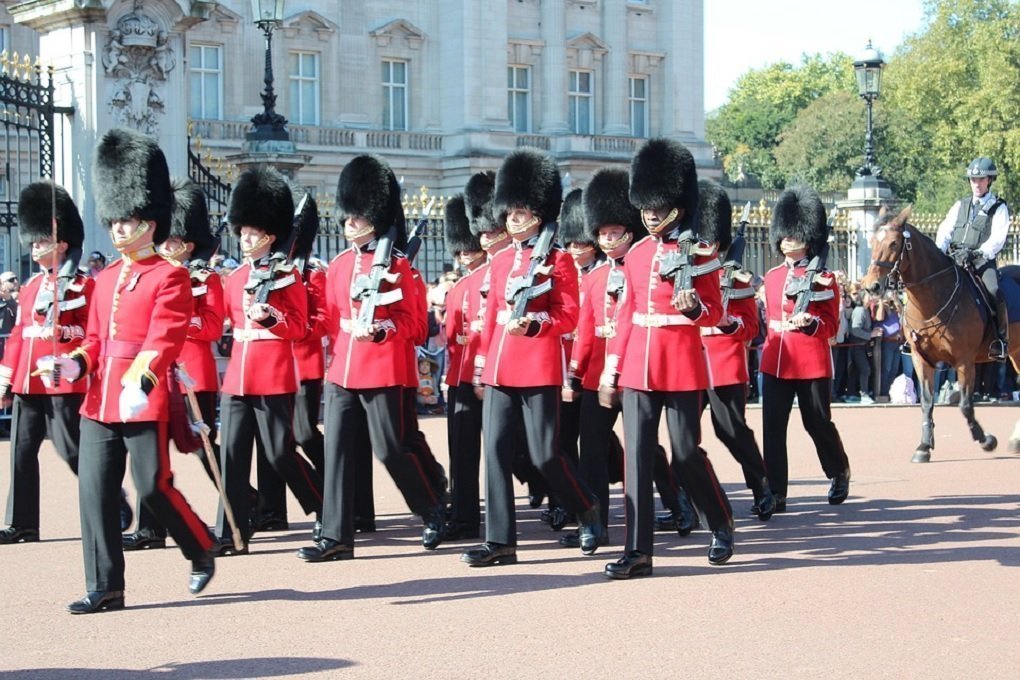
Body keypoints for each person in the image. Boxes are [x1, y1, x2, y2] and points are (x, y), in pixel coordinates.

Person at [44, 127, 216, 613]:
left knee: (151, 487)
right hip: (100, 399)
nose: (120, 229)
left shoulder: (171, 274)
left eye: (130, 220)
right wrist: (72, 363)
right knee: (94, 490)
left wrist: (141, 378)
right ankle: (106, 586)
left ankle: (199, 546)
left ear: (151, 222)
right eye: (116, 221)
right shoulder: (103, 280)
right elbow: (96, 340)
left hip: (144, 393)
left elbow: (166, 335)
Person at [298, 154, 446, 563]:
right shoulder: (339, 266)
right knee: (338, 452)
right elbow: (328, 319)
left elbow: (417, 327)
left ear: (374, 219)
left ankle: (431, 508)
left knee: (390, 449)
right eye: (348, 216)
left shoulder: (400, 268)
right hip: (343, 368)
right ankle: (335, 536)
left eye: (358, 216)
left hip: (382, 368)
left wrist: (383, 329)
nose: (350, 223)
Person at [461, 148, 604, 567]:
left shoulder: (557, 259)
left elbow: (568, 314)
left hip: (538, 366)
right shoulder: (500, 260)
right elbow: (489, 319)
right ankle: (500, 541)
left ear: (539, 215)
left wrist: (536, 324)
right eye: (510, 214)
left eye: (522, 213)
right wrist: (482, 365)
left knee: (545, 455)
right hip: (501, 368)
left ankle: (586, 508)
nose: (513, 220)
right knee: (497, 453)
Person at [600, 139, 734, 580]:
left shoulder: (700, 254)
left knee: (684, 455)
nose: (652, 214)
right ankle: (637, 551)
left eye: (659, 206)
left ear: (676, 203)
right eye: (648, 206)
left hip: (680, 363)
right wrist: (611, 368)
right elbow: (623, 316)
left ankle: (719, 519)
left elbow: (716, 312)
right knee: (637, 458)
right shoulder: (636, 254)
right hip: (638, 364)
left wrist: (695, 307)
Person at [214, 166, 323, 556]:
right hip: (239, 372)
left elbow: (297, 327)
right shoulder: (232, 277)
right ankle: (231, 532)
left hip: (273, 370)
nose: (245, 239)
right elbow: (226, 323)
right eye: (242, 232)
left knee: (279, 451)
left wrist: (271, 317)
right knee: (232, 454)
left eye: (252, 233)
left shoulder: (287, 277)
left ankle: (322, 504)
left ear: (270, 236)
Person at [122, 178, 226, 550]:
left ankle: (240, 504)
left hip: (193, 376)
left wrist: (181, 321)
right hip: (158, 376)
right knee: (153, 456)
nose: (166, 247)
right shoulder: (151, 278)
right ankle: (151, 529)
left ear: (187, 245)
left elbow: (212, 327)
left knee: (202, 450)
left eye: (172, 242)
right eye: (164, 241)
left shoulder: (206, 279)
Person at [0, 183, 93, 545]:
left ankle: (112, 501)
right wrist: (6, 379)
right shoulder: (30, 286)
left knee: (71, 449)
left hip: (60, 378)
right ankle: (22, 522)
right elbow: (21, 334)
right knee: (21, 452)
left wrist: (64, 333)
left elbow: (89, 331)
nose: (35, 247)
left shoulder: (83, 285)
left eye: (42, 241)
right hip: (28, 381)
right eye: (35, 241)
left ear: (62, 243)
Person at [760, 186, 852, 512]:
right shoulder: (770, 278)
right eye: (783, 234)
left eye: (793, 234)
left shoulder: (824, 279)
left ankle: (838, 470)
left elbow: (830, 324)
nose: (787, 240)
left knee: (817, 422)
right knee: (772, 427)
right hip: (775, 360)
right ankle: (776, 492)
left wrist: (811, 324)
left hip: (810, 360)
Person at [696, 179, 776, 519]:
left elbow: (752, 327)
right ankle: (690, 498)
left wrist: (727, 322)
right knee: (684, 438)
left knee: (729, 430)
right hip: (688, 362)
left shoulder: (737, 278)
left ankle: (761, 485)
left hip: (724, 362)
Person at [440, 193, 487, 541]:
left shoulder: (489, 279)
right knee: (462, 451)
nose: (464, 253)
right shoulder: (457, 287)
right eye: (460, 248)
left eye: (468, 246)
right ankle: (465, 514)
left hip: (487, 375)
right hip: (460, 375)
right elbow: (453, 337)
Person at [935, 157, 1011, 360]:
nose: (976, 184)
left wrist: (979, 253)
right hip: (955, 258)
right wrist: (939, 253)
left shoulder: (998, 207)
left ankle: (1000, 340)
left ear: (989, 181)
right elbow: (945, 230)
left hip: (981, 261)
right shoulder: (960, 205)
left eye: (981, 179)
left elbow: (997, 238)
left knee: (994, 290)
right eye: (973, 180)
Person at [847, 288, 882, 404]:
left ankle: (856, 393)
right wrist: (870, 334)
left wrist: (873, 330)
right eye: (868, 296)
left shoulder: (866, 310)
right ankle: (864, 394)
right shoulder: (860, 310)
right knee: (865, 369)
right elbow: (855, 330)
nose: (871, 298)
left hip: (863, 345)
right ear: (862, 298)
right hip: (856, 345)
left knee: (862, 370)